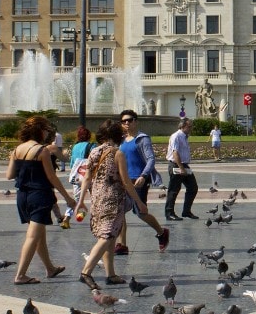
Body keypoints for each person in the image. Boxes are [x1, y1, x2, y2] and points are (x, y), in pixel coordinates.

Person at [75, 119, 149, 290]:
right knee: (107, 236)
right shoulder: (118, 153)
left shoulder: (94, 152)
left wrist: (81, 201)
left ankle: (111, 274)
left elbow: (86, 178)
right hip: (113, 200)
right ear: (117, 135)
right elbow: (125, 181)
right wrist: (139, 202)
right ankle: (86, 272)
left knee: (111, 237)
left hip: (97, 200)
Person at [5, 116, 75, 285]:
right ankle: (21, 275)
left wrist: (25, 169)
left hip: (23, 196)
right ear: (39, 131)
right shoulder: (42, 151)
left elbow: (9, 175)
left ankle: (50, 268)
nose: (46, 133)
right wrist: (67, 197)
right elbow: (52, 177)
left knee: (39, 234)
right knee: (32, 236)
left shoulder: (17, 150)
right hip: (39, 196)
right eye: (45, 130)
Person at [114, 109, 169, 255]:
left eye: (130, 120)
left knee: (140, 212)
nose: (126, 123)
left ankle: (161, 232)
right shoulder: (121, 140)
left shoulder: (142, 138)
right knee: (120, 212)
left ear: (135, 121)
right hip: (124, 180)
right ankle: (122, 245)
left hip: (139, 180)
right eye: (123, 121)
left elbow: (151, 159)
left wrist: (144, 176)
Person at [166, 118, 200, 221]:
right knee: (174, 190)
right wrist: (181, 168)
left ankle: (186, 211)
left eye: (191, 126)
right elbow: (175, 153)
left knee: (193, 187)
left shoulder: (185, 137)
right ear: (182, 126)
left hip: (184, 165)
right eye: (189, 126)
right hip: (176, 165)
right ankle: (169, 213)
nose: (191, 128)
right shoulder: (176, 136)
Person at [67, 125, 97, 202]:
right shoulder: (92, 146)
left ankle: (80, 213)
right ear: (89, 136)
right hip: (89, 174)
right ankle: (94, 213)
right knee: (94, 197)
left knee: (78, 199)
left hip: (78, 175)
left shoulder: (75, 146)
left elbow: (72, 163)